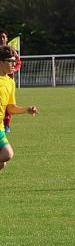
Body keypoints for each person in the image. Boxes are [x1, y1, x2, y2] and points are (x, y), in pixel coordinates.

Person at [0, 46, 38, 174]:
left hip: (0, 127)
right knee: (7, 153)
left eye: (14, 62)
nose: (13, 64)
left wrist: (27, 110)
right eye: (10, 61)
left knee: (2, 164)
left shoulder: (10, 83)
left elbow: (10, 108)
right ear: (1, 62)